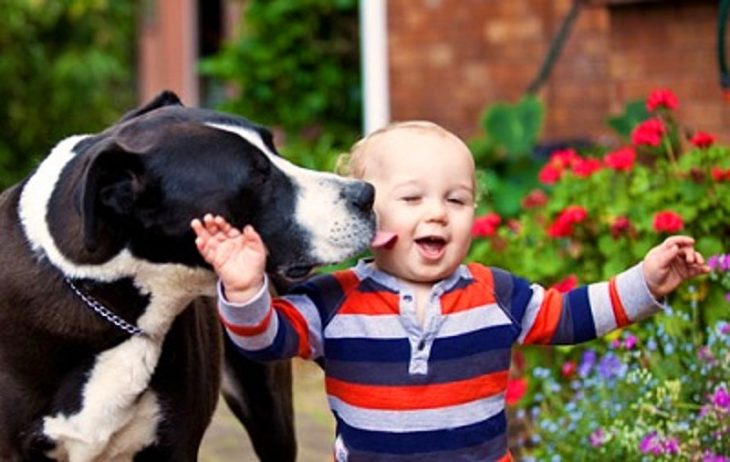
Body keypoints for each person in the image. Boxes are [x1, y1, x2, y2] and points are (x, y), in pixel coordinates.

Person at [191, 121, 709, 461]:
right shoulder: (334, 300)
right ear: (368, 215)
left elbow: (572, 315)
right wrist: (245, 289)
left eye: (456, 200)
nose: (437, 212)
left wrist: (644, 282)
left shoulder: (498, 294)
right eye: (413, 197)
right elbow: (265, 341)